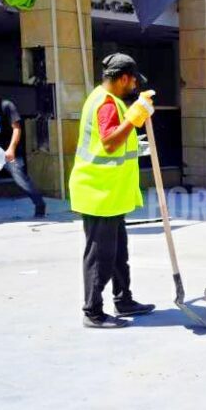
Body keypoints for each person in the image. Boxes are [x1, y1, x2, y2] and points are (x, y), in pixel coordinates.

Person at [68, 53, 156, 328]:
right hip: (98, 193)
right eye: (132, 82)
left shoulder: (108, 100)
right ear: (124, 78)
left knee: (119, 253)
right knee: (101, 256)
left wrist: (134, 132)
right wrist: (135, 116)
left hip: (110, 194)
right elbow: (108, 144)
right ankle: (92, 312)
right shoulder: (106, 104)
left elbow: (114, 140)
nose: (134, 87)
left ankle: (124, 299)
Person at [0, 94, 46, 217]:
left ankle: (40, 204)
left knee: (21, 180)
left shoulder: (6, 106)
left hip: (8, 151)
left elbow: (17, 129)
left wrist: (11, 149)